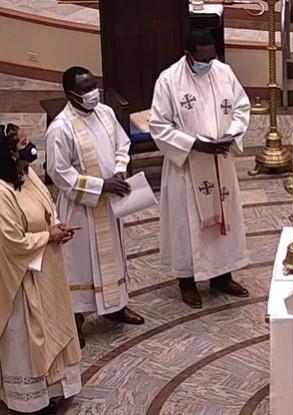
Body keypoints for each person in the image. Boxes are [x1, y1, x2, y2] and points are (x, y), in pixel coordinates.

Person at [150, 31, 251, 308]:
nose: (208, 62)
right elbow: (158, 125)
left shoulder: (224, 72)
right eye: (202, 57)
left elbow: (242, 107)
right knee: (188, 223)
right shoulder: (169, 79)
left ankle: (222, 275)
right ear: (189, 54)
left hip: (220, 160)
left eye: (211, 56)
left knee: (224, 217)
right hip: (188, 165)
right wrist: (193, 144)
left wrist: (231, 134)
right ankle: (187, 281)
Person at [45, 66, 144, 348]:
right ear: (70, 94)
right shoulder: (60, 128)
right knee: (79, 264)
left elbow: (122, 146)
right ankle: (75, 319)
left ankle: (115, 306)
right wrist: (101, 186)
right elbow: (59, 173)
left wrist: (121, 171)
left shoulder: (106, 113)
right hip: (80, 207)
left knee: (113, 253)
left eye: (93, 87)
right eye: (85, 90)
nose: (92, 94)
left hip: (110, 201)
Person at [0, 124, 82, 413]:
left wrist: (56, 225)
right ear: (10, 154)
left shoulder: (27, 172)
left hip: (46, 267)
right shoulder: (1, 191)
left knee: (53, 322)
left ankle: (57, 387)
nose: (30, 145)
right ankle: (30, 397)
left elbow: (46, 204)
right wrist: (49, 237)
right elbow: (11, 241)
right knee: (28, 335)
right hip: (22, 277)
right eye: (23, 142)